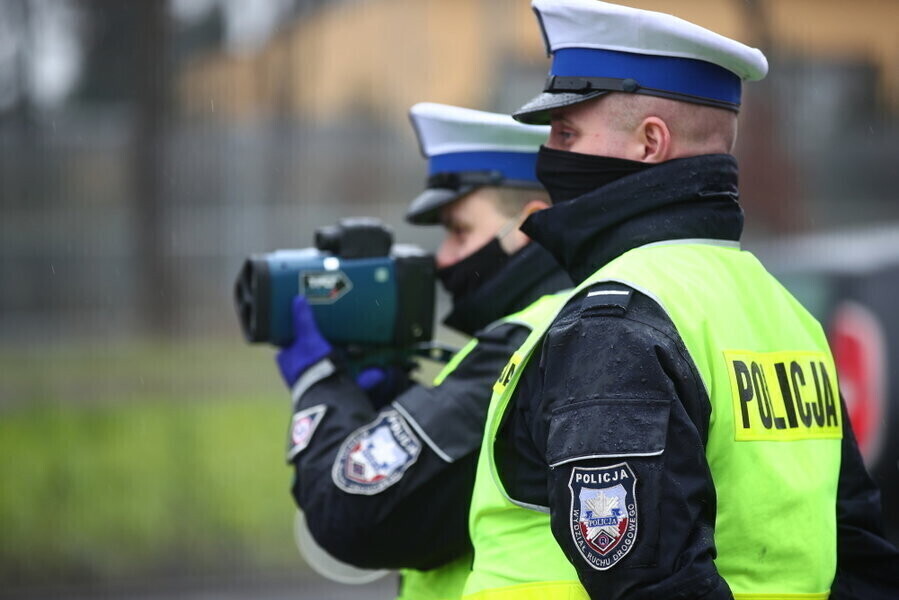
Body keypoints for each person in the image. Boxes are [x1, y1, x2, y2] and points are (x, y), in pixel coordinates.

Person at [461, 2, 899, 599]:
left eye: (567, 133)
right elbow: (859, 550)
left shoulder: (614, 322)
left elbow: (650, 582)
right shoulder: (786, 312)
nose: (549, 156)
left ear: (649, 142)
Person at [276, 102, 571, 600]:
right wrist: (399, 404)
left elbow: (351, 513)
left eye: (459, 231)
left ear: (527, 227)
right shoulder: (560, 325)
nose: (442, 260)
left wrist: (319, 385)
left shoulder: (526, 344)